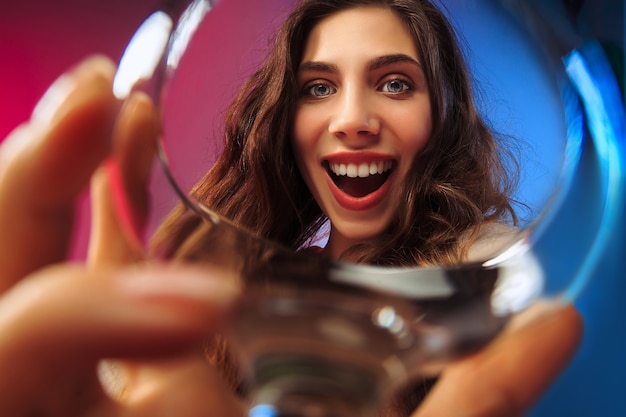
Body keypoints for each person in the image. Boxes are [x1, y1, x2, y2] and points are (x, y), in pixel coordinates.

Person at [0, 1, 582, 417]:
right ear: (285, 123)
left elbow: (492, 274)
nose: (353, 119)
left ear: (442, 118)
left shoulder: (472, 267)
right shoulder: (219, 295)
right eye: (319, 88)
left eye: (396, 84)